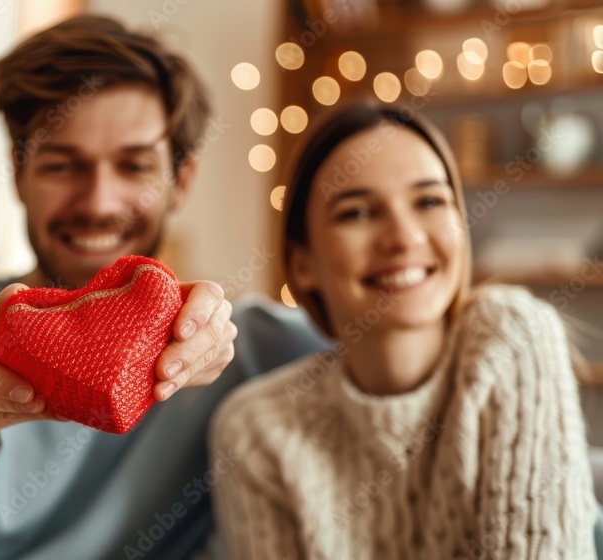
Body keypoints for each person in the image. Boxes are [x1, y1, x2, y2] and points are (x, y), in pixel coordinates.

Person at [0, 15, 327, 559]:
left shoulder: (249, 348)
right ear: (18, 172)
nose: (98, 201)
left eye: (134, 165)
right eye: (62, 165)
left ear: (181, 180)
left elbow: (407, 366)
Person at [210, 101, 603, 559]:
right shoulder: (256, 431)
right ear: (302, 264)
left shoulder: (512, 339)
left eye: (430, 201)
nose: (404, 238)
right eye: (356, 213)